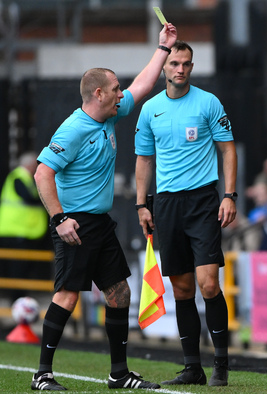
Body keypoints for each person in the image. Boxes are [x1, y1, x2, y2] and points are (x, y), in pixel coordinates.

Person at [32, 23, 178, 391]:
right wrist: (59, 219)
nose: (120, 95)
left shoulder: (109, 114)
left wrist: (163, 49)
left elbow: (142, 87)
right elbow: (41, 174)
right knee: (66, 297)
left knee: (120, 294)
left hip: (99, 222)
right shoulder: (73, 129)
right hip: (74, 224)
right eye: (114, 90)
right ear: (98, 94)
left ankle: (118, 374)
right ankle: (42, 374)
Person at [134, 40, 237, 387]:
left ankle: (221, 363)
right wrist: (140, 205)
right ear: (164, 66)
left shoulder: (208, 103)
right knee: (182, 290)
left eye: (187, 64)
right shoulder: (150, 109)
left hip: (203, 201)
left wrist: (229, 195)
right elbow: (144, 159)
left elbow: (227, 149)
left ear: (192, 66)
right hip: (166, 204)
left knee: (209, 284)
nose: (181, 69)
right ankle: (193, 367)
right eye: (175, 63)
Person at [0, 152, 49, 299]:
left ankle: (18, 303)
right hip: (15, 233)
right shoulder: (18, 177)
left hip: (24, 234)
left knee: (22, 271)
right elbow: (28, 198)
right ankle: (16, 304)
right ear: (30, 165)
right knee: (17, 272)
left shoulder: (25, 179)